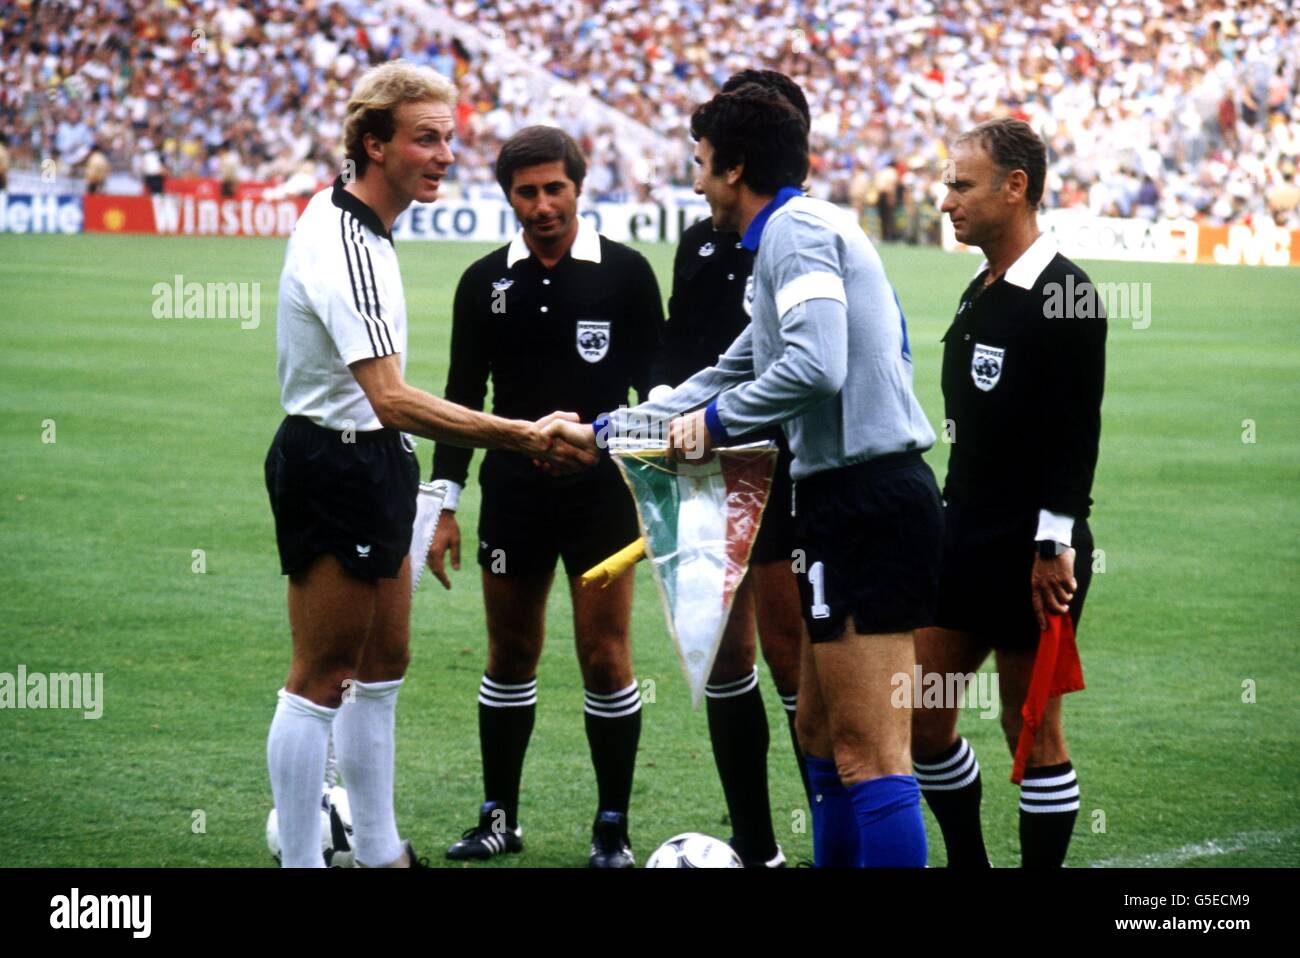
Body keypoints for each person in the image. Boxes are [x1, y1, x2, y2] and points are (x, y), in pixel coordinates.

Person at [552, 81, 943, 868]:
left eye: (700, 165)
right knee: (822, 738)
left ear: (734, 169)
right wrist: (607, 431)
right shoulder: (794, 232)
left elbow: (813, 366)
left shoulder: (794, 233)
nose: (695, 183)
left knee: (870, 754)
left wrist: (716, 427)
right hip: (845, 499)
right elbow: (731, 370)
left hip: (868, 500)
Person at [264, 63, 590, 869]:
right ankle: (304, 862)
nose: (446, 154)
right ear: (374, 144)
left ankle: (379, 852)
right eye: (426, 138)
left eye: (449, 137)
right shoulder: (346, 243)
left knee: (383, 665)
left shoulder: (367, 223)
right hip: (337, 459)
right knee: (321, 675)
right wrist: (519, 435)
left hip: (373, 459)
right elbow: (391, 399)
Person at [425, 126, 665, 867]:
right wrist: (443, 502)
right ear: (508, 197)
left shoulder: (624, 274)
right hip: (512, 496)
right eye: (525, 192)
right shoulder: (484, 282)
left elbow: (659, 392)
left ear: (578, 187)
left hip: (604, 497)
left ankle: (612, 828)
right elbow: (462, 398)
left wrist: (618, 450)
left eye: (553, 188)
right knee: (510, 653)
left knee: (605, 656)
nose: (541, 205)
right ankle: (499, 816)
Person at [911, 117, 1106, 868]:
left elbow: (1073, 435)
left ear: (1014, 187)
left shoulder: (1067, 295)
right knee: (922, 717)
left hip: (1034, 546)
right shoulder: (980, 285)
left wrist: (1053, 543)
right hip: (961, 534)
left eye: (961, 186)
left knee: (1032, 732)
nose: (946, 201)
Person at [652, 68, 811, 869]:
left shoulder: (800, 234)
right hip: (706, 466)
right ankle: (757, 845)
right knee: (723, 656)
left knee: (793, 660)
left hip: (779, 468)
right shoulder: (702, 237)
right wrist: (664, 421)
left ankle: (835, 833)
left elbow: (807, 362)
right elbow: (692, 349)